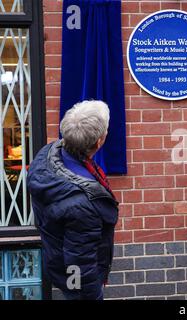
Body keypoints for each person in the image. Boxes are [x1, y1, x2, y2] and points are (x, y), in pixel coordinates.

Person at [27, 100, 119, 300]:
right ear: (99, 142)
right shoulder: (82, 203)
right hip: (76, 277)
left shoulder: (48, 154)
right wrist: (84, 294)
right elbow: (78, 262)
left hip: (58, 256)